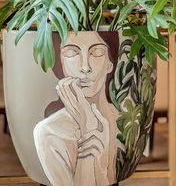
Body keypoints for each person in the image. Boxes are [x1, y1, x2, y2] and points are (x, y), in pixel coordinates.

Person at [33, 31, 121, 186]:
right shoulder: (48, 133)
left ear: (110, 64)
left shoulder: (125, 121)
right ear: (61, 62)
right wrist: (87, 125)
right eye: (72, 53)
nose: (85, 67)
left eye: (97, 52)